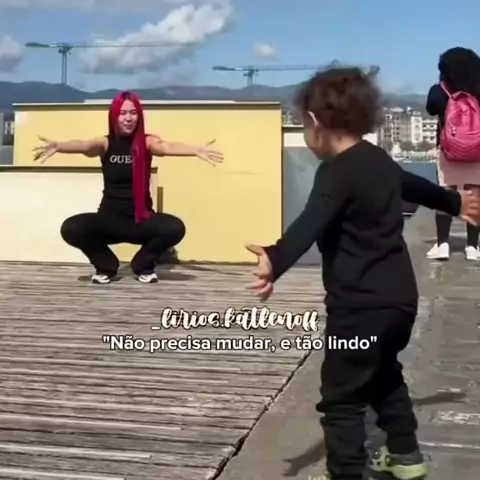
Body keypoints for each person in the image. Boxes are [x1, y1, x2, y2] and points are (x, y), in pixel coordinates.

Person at [245, 67, 480, 480]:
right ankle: (405, 456)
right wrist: (455, 204)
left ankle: (346, 473)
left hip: (357, 310)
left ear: (315, 122)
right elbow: (415, 186)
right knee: (385, 374)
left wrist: (274, 258)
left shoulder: (335, 171)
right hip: (400, 303)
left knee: (341, 397)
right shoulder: (379, 161)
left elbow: (311, 221)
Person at [33, 91, 223, 284]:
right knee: (72, 228)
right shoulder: (105, 143)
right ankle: (106, 266)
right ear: (114, 116)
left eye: (133, 113)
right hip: (109, 220)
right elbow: (85, 145)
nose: (128, 118)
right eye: (122, 113)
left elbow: (166, 147)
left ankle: (143, 265)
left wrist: (195, 149)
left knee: (174, 227)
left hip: (141, 221)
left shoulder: (147, 142)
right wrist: (59, 146)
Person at [426, 47, 480, 261]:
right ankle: (473, 247)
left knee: (446, 195)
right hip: (477, 151)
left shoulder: (441, 90)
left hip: (448, 150)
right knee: (475, 197)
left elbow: (431, 108)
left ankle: (443, 245)